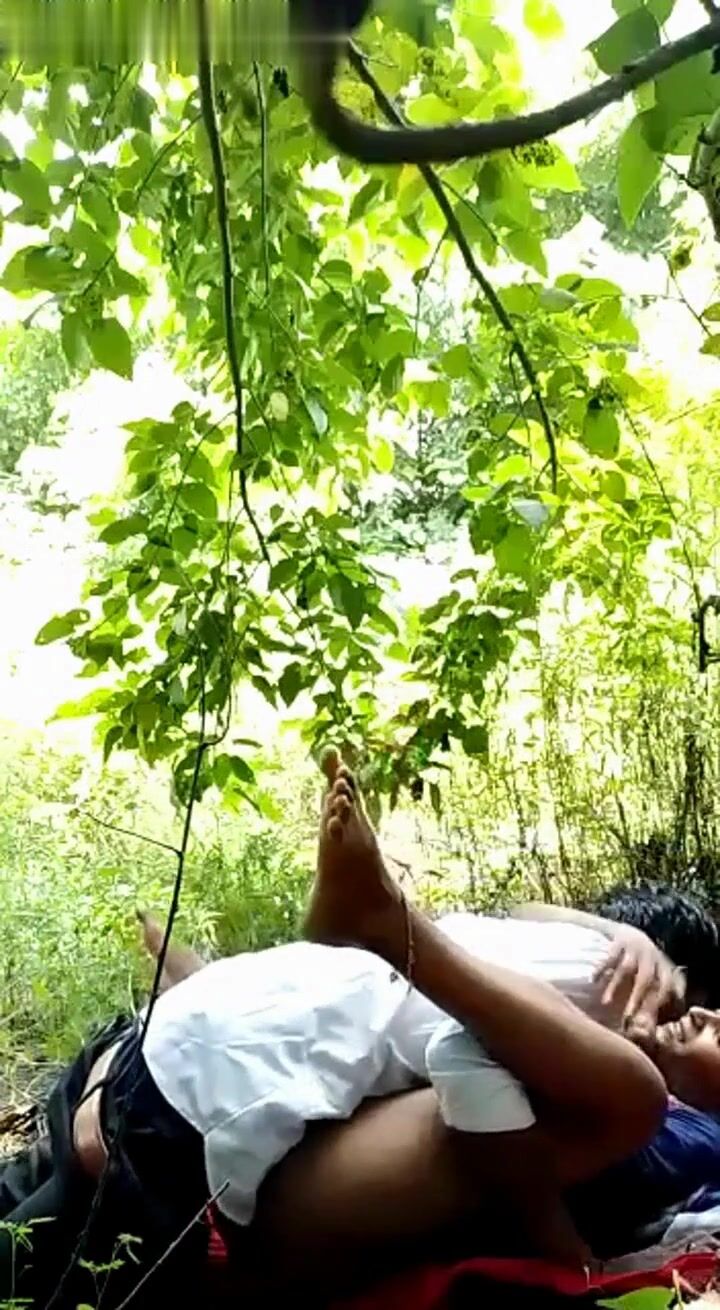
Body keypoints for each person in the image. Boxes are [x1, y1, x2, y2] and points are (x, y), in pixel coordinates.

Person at [0, 754, 668, 1307]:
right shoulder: (591, 996)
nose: (703, 1019)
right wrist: (621, 934)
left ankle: (371, 928)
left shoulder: (648, 1085)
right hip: (169, 1113)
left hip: (168, 1089)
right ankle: (379, 928)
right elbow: (478, 1013)